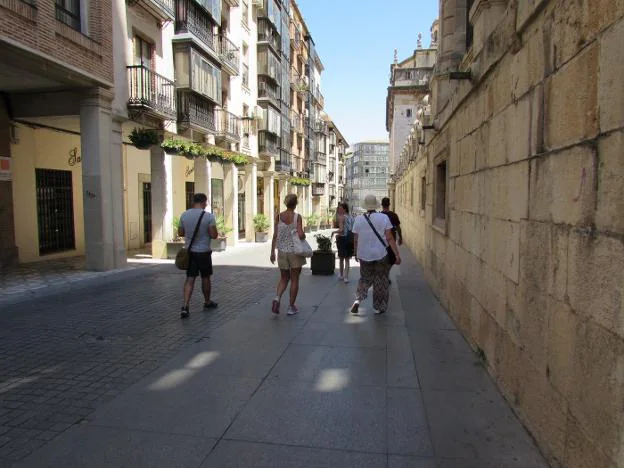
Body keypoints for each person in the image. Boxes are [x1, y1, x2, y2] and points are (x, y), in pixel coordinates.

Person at [350, 194, 401, 315]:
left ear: (365, 206)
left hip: (364, 254)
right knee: (380, 280)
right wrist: (397, 254)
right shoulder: (383, 218)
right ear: (376, 205)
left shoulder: (358, 219)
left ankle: (358, 299)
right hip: (381, 254)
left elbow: (356, 239)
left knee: (365, 279)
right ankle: (378, 307)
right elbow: (389, 238)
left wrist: (356, 253)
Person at [178, 193, 219, 319]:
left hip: (190, 253)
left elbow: (180, 232)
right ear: (203, 202)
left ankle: (185, 306)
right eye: (206, 202)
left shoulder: (184, 215)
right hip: (204, 252)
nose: (206, 204)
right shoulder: (209, 217)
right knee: (205, 278)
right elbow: (214, 235)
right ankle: (207, 301)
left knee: (190, 279)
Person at [270, 193, 306, 315]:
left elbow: (275, 235)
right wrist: (302, 234)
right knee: (294, 279)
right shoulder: (297, 217)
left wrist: (272, 252)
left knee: (284, 278)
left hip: (282, 252)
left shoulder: (279, 217)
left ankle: (277, 298)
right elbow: (301, 234)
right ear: (295, 204)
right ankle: (291, 307)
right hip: (295, 252)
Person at [331, 202, 354, 283]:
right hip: (350, 239)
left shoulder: (341, 217)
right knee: (347, 259)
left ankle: (341, 275)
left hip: (342, 239)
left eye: (340, 209)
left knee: (341, 258)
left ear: (344, 209)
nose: (339, 210)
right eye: (338, 209)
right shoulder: (351, 217)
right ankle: (346, 277)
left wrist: (334, 233)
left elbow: (341, 230)